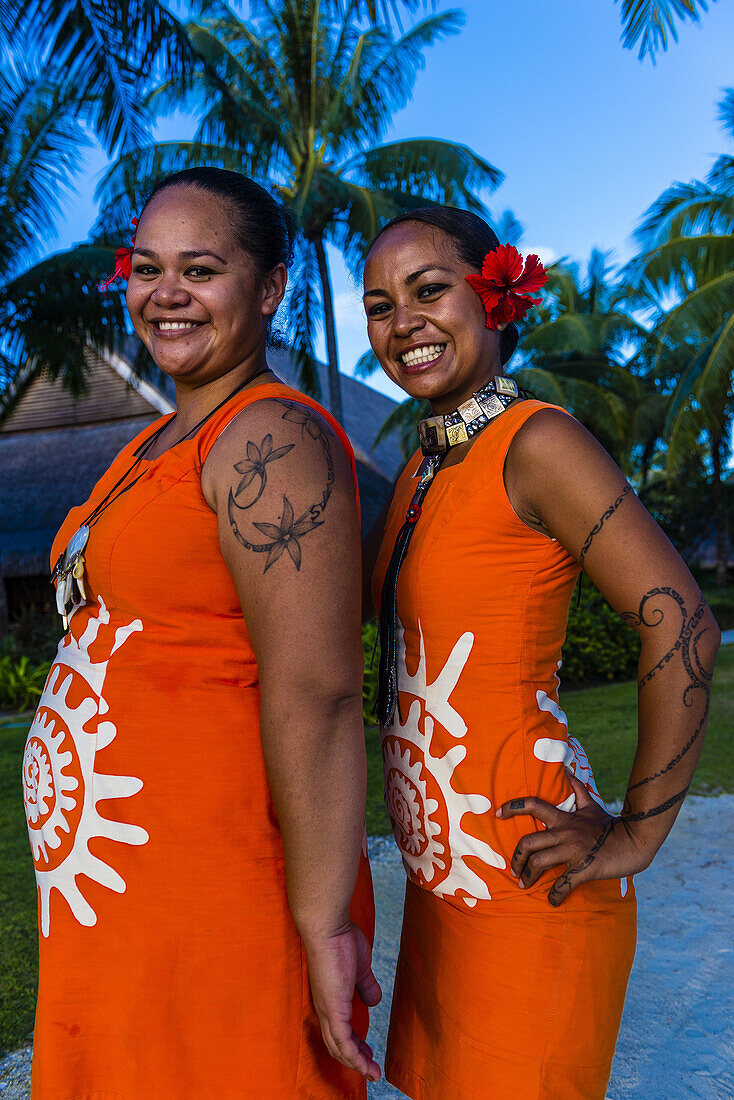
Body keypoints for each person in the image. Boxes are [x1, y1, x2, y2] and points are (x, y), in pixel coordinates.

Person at [22, 167, 380, 1099]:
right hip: (115, 893)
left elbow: (322, 689)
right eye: (147, 267)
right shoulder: (148, 444)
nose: (166, 292)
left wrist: (324, 919)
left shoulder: (273, 441)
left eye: (201, 269)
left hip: (221, 889)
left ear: (269, 289)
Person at [361, 206, 720, 1100]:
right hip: (445, 893)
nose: (402, 322)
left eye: (429, 289)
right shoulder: (422, 467)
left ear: (495, 297)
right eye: (378, 304)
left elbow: (681, 623)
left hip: (534, 888)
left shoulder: (538, 441)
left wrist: (638, 831)